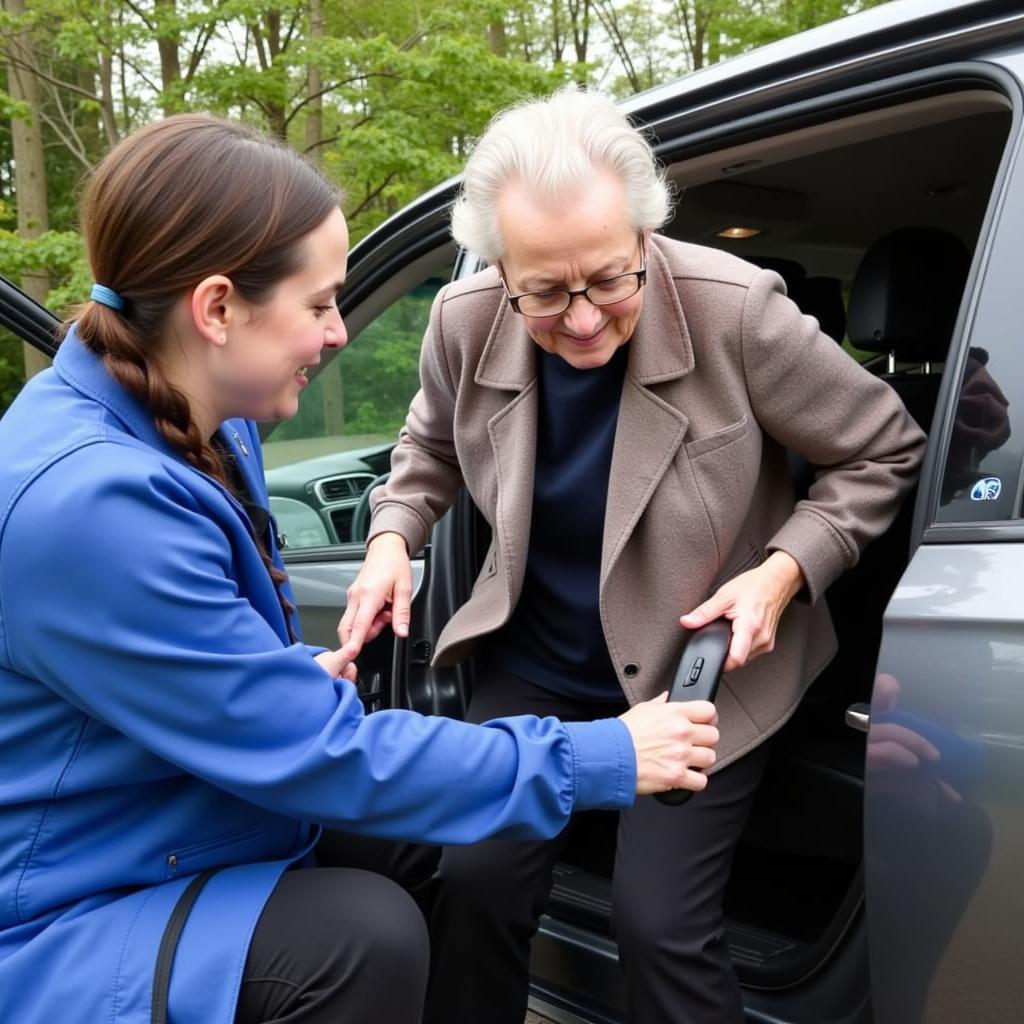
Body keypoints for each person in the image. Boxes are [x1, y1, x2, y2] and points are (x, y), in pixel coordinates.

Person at [0, 114, 722, 1024]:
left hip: (163, 821)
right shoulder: (93, 505)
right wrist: (602, 754)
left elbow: (177, 672)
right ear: (217, 308)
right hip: (65, 902)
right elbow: (316, 754)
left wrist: (278, 676)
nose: (340, 333)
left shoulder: (200, 422)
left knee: (419, 847)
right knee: (359, 937)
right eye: (319, 304)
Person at [339, 87, 928, 1024]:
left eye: (610, 279)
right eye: (543, 290)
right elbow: (428, 454)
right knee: (474, 882)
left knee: (657, 923)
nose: (580, 318)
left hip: (696, 667)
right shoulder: (461, 320)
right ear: (499, 268)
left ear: (646, 236)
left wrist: (782, 569)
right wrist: (388, 542)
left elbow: (884, 446)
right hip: (533, 664)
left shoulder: (735, 312)